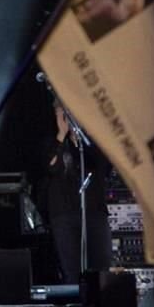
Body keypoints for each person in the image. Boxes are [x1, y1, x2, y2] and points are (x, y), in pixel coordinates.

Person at [41, 101, 111, 284]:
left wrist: (83, 137)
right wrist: (62, 134)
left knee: (100, 268)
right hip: (64, 213)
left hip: (94, 211)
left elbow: (104, 165)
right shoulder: (52, 142)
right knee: (71, 271)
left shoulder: (95, 143)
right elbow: (51, 167)